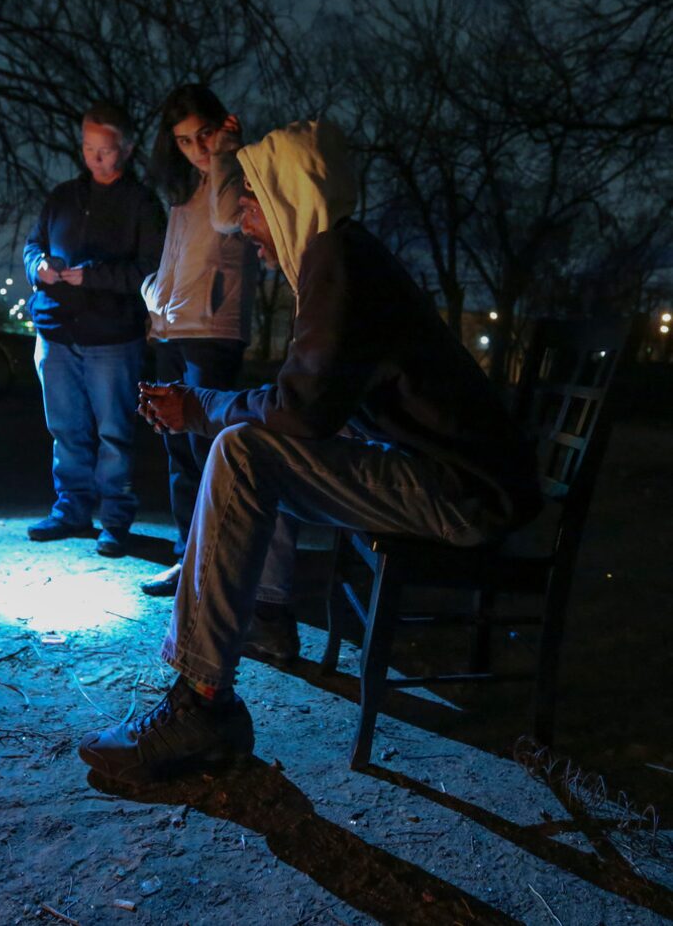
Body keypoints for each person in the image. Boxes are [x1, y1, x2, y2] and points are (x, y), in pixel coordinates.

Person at [77, 119, 542, 784]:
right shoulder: (341, 258)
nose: (245, 226)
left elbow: (299, 411)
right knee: (253, 444)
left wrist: (205, 408)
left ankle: (201, 701)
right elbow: (310, 399)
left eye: (253, 204)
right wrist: (212, 407)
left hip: (463, 492)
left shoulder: (338, 263)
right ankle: (238, 647)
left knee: (244, 453)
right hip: (451, 472)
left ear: (290, 198)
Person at [23, 102, 166, 558]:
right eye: (88, 148)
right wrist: (39, 267)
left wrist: (94, 275)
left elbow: (151, 270)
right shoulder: (63, 196)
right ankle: (71, 510)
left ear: (125, 148)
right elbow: (32, 244)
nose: (95, 159)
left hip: (113, 338)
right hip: (56, 330)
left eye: (105, 151)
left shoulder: (141, 203)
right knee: (65, 427)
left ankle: (117, 518)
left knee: (113, 432)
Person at [138, 85, 258, 597]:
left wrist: (228, 152)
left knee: (207, 446)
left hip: (213, 330)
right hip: (170, 327)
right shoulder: (183, 187)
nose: (196, 149)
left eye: (203, 135)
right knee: (178, 451)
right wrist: (154, 302)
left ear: (224, 125)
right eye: (184, 141)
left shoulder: (244, 171)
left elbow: (227, 220)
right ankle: (188, 558)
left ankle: (215, 564)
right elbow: (173, 256)